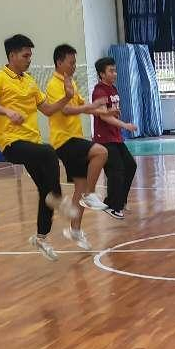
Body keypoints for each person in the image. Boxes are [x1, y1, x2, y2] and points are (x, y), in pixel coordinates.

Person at [0, 34, 77, 261]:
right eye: (25, 56)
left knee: (45, 190)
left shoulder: (30, 81)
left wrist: (66, 98)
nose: (29, 60)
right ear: (12, 55)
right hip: (11, 143)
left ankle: (41, 237)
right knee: (49, 153)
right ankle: (57, 197)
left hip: (32, 143)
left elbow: (47, 109)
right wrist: (7, 111)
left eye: (30, 56)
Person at [45, 44, 110, 250]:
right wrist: (91, 106)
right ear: (59, 62)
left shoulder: (70, 81)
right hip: (64, 140)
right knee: (101, 151)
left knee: (78, 188)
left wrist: (103, 112)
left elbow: (83, 106)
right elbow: (66, 110)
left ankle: (75, 230)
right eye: (71, 63)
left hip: (74, 137)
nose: (74, 66)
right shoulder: (54, 85)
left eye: (75, 63)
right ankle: (90, 194)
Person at [91, 57, 137, 220]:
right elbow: (104, 116)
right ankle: (113, 206)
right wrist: (125, 125)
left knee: (130, 165)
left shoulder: (113, 89)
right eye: (111, 71)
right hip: (104, 139)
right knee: (116, 170)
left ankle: (119, 201)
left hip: (115, 137)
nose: (115, 73)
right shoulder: (99, 91)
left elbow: (113, 111)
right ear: (102, 74)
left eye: (115, 70)